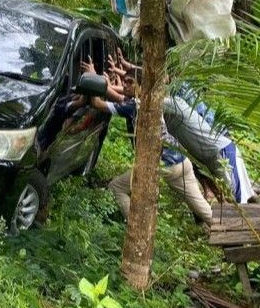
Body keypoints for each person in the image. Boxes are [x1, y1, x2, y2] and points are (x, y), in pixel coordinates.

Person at [89, 70, 213, 224]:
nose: (125, 85)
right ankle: (228, 233)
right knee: (202, 208)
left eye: (130, 82)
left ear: (142, 86)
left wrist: (92, 81)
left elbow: (97, 104)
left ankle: (137, 226)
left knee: (117, 187)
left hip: (163, 164)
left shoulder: (135, 105)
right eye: (125, 81)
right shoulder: (153, 101)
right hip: (181, 161)